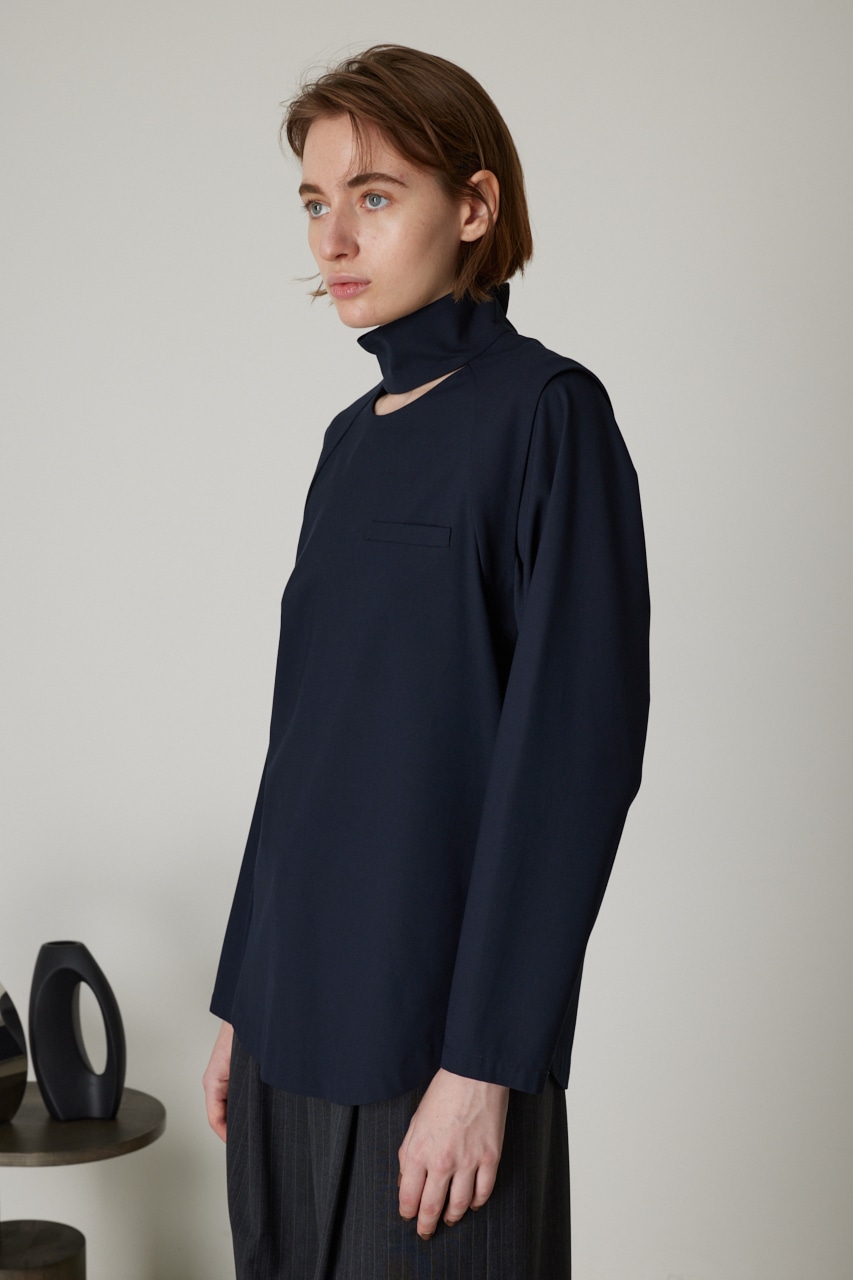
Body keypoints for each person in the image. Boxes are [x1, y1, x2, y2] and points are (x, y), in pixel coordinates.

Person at [202, 43, 650, 1279]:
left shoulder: (548, 415)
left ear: (473, 205)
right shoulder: (347, 443)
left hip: (432, 1041)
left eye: (374, 194)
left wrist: (485, 1062)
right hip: (288, 1022)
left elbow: (572, 761)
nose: (335, 236)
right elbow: (306, 745)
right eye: (315, 201)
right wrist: (243, 994)